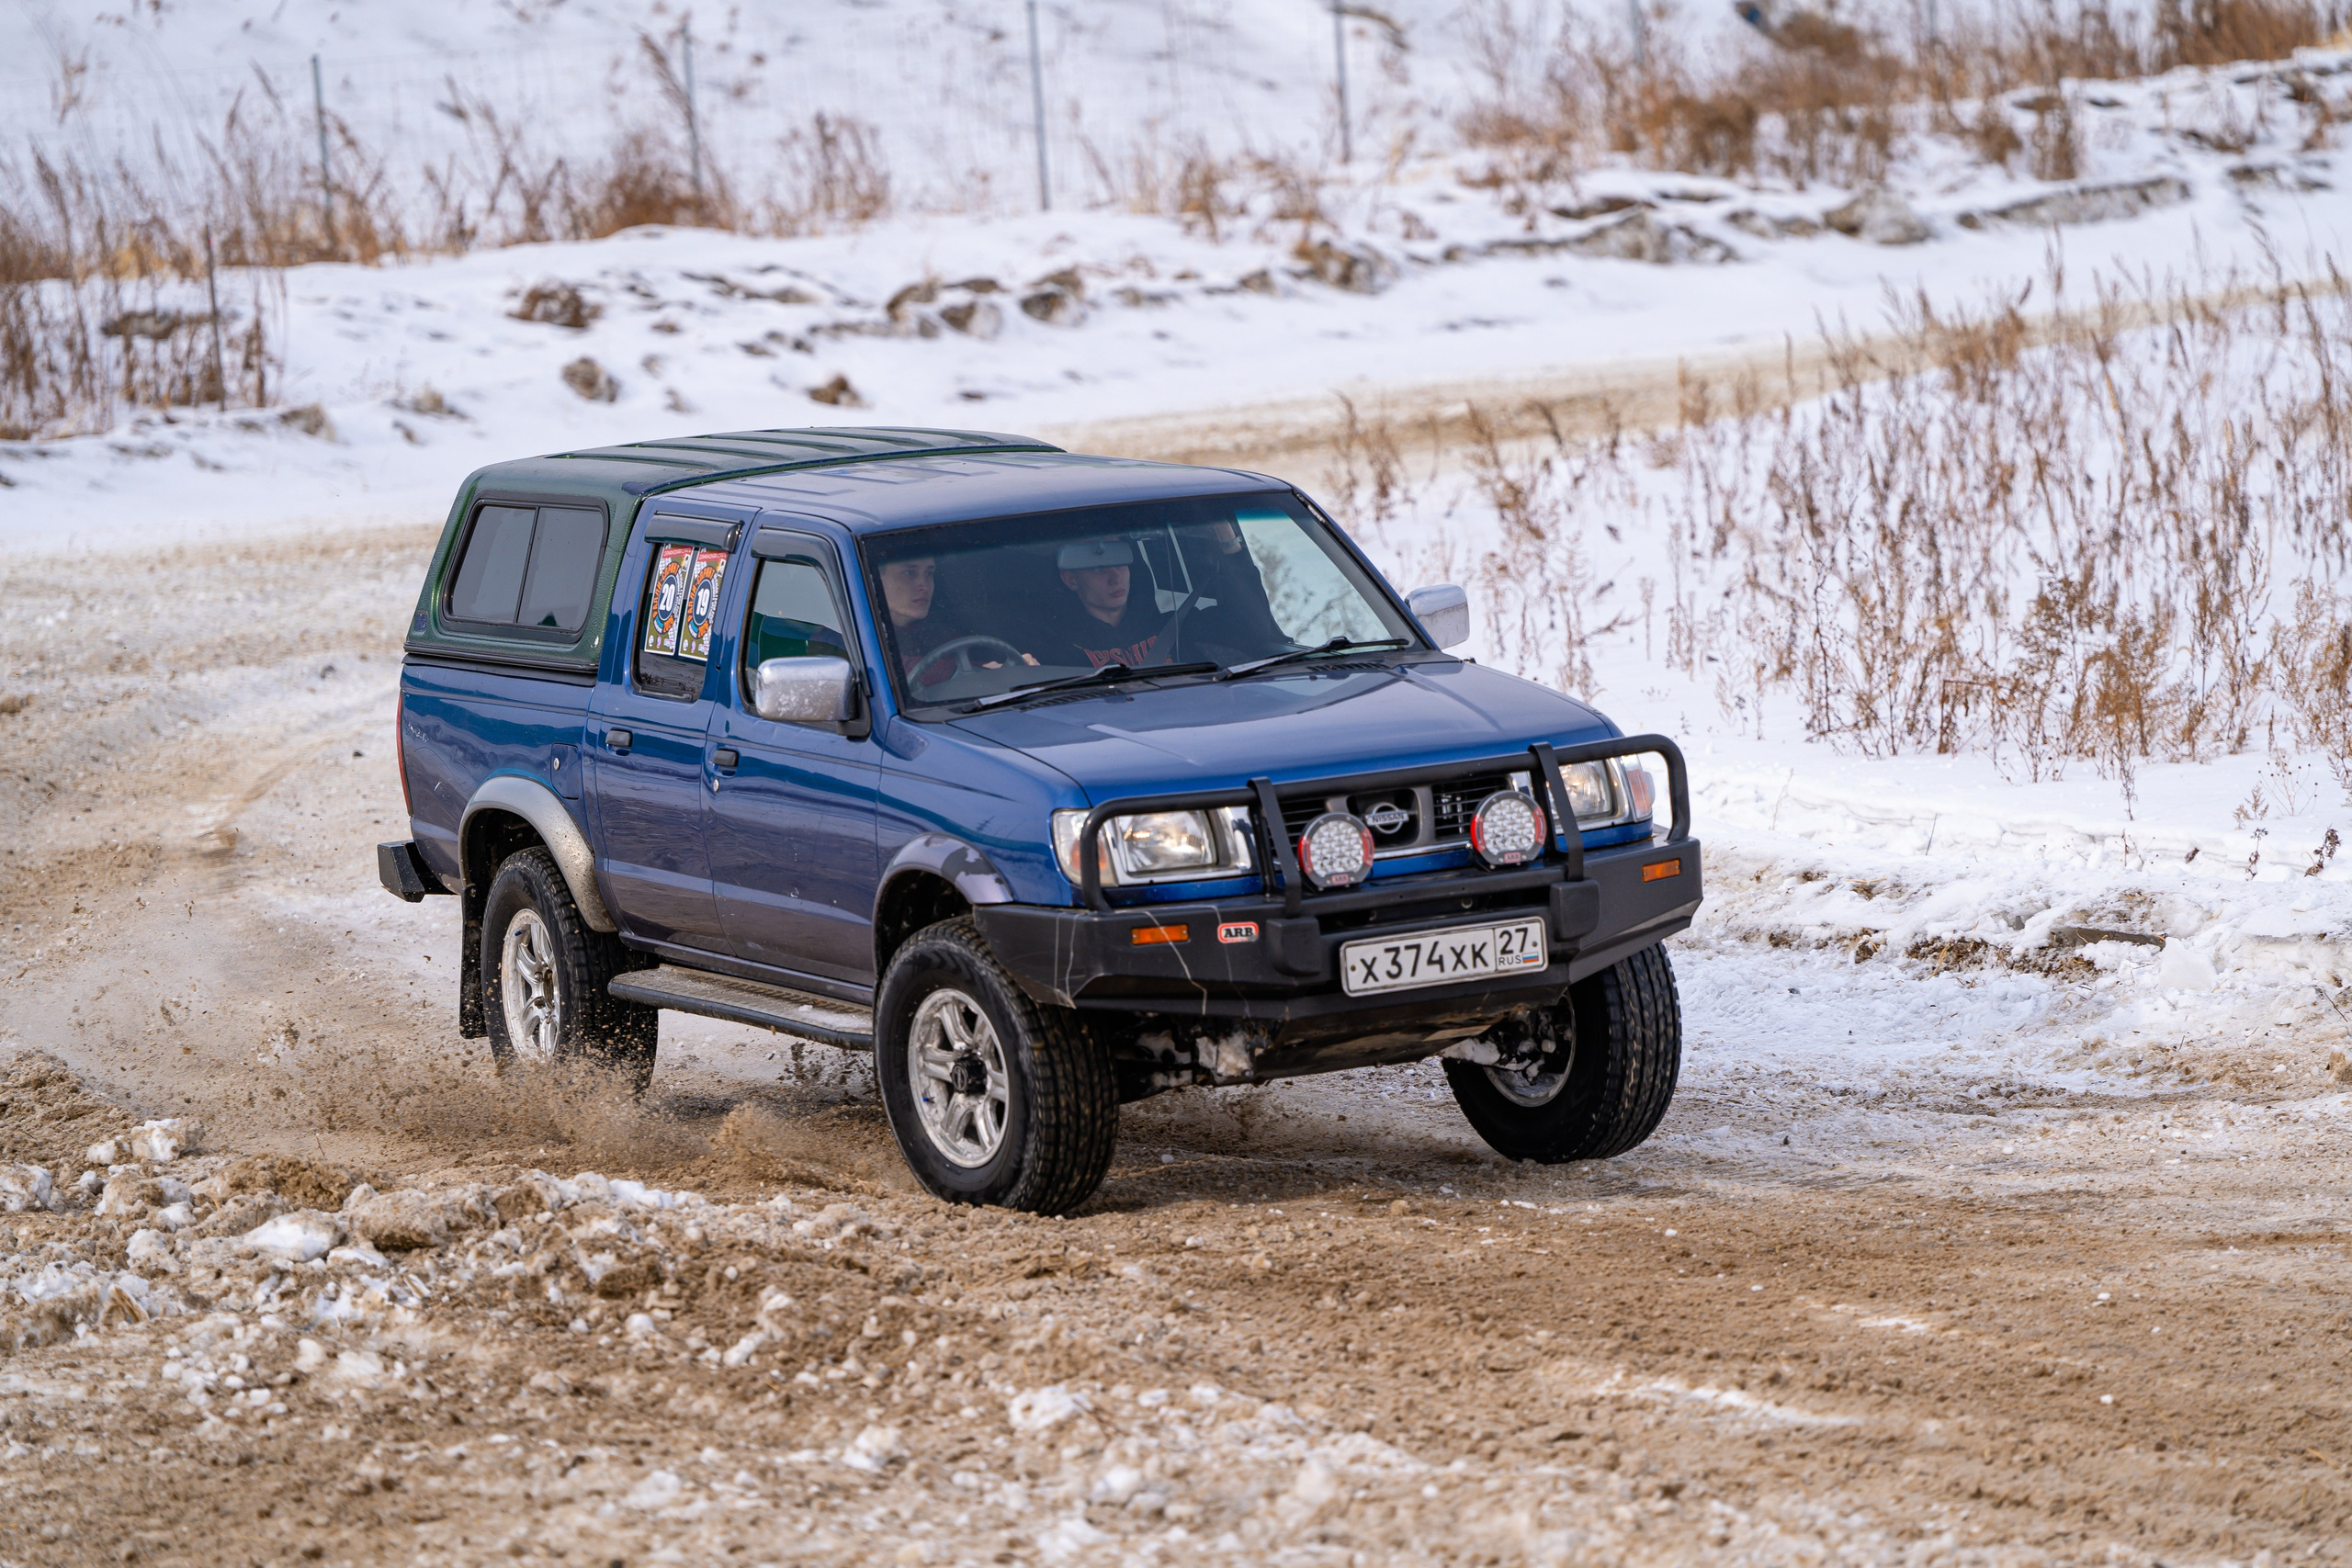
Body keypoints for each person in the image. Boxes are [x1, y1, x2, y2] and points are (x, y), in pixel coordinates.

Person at [1043, 525, 1280, 669]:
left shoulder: (1174, 627)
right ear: (1071, 580)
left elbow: (1252, 628)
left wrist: (1227, 538)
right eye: (1099, 568)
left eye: (1121, 564)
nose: (1115, 578)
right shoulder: (1056, 650)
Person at [878, 554, 1033, 687]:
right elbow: (898, 670)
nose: (924, 585)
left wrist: (1014, 667)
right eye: (909, 573)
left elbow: (963, 667)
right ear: (877, 580)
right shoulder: (869, 637)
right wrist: (989, 673)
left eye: (929, 573)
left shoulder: (937, 632)